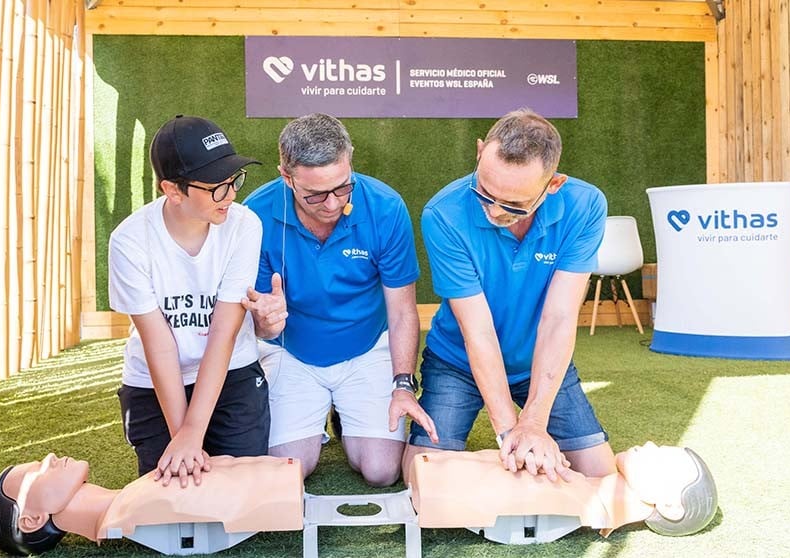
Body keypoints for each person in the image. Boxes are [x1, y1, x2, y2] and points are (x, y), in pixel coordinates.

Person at [404, 107, 614, 481]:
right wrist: (511, 434)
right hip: (458, 362)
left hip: (537, 358)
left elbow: (560, 317)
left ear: (553, 185)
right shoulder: (443, 214)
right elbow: (478, 331)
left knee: (599, 473)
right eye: (485, 192)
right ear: (480, 151)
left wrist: (533, 421)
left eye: (513, 205)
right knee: (422, 475)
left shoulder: (586, 206)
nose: (492, 211)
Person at [243, 113, 437, 486]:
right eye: (315, 194)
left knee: (381, 471)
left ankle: (345, 413)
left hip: (366, 347)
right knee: (288, 470)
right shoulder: (256, 214)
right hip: (292, 351)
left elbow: (401, 312)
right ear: (286, 177)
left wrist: (402, 384)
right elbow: (259, 322)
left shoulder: (386, 207)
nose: (332, 204)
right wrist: (265, 325)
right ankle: (321, 411)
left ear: (350, 162)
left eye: (342, 187)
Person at [108, 115, 269, 487]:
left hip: (232, 370)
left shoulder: (245, 225)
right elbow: (159, 344)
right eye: (217, 187)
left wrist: (193, 436)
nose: (231, 195)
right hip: (155, 380)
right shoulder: (129, 241)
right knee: (170, 494)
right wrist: (184, 438)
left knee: (238, 489)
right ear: (173, 190)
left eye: (234, 181)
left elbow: (223, 334)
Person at [0, 454, 304, 556]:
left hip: (281, 480)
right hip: (279, 491)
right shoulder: (134, 508)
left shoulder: (134, 496)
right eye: (38, 470)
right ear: (32, 520)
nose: (51, 458)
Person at [410, 442, 718, 538]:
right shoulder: (591, 490)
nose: (651, 445)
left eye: (663, 461)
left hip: (438, 486)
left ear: (669, 506)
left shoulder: (588, 500)